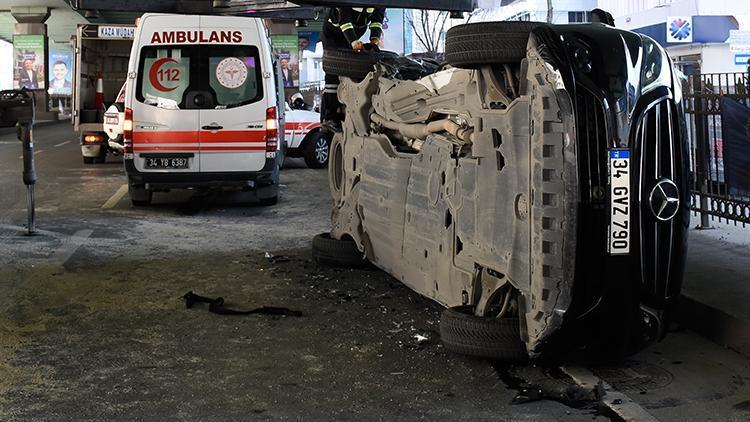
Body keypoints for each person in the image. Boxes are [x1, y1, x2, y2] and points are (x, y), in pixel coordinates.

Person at [321, 6, 385, 133]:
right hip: (333, 36)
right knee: (333, 76)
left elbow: (377, 20)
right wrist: (353, 41)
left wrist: (375, 38)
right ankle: (329, 117)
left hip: (352, 34)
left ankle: (350, 110)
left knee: (354, 73)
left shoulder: (379, 3)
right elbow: (345, 21)